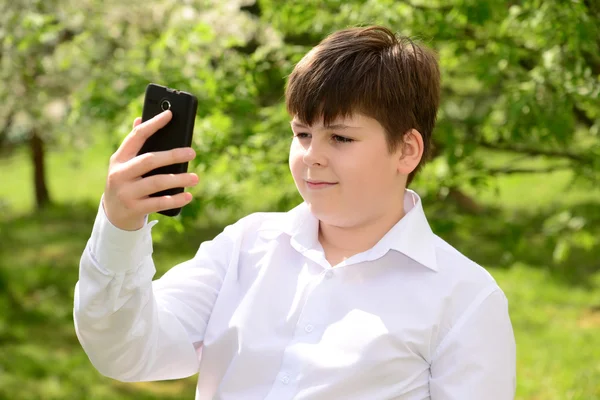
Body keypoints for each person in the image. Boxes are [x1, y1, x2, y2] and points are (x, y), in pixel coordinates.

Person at [73, 25, 516, 399]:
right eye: (302, 134)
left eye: (340, 138)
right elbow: (125, 351)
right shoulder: (244, 247)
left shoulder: (465, 300)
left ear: (406, 150)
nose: (311, 156)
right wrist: (120, 226)